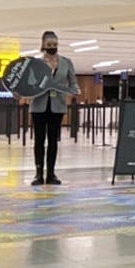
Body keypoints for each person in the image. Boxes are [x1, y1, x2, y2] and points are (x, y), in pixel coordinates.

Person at [27, 31, 80, 185]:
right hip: (38, 105)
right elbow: (29, 83)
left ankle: (51, 174)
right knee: (39, 140)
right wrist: (22, 93)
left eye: (55, 45)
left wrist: (74, 91)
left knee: (53, 140)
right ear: (43, 45)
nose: (52, 47)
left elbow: (73, 82)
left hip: (58, 106)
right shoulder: (36, 63)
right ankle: (38, 174)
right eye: (49, 45)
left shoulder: (66, 62)